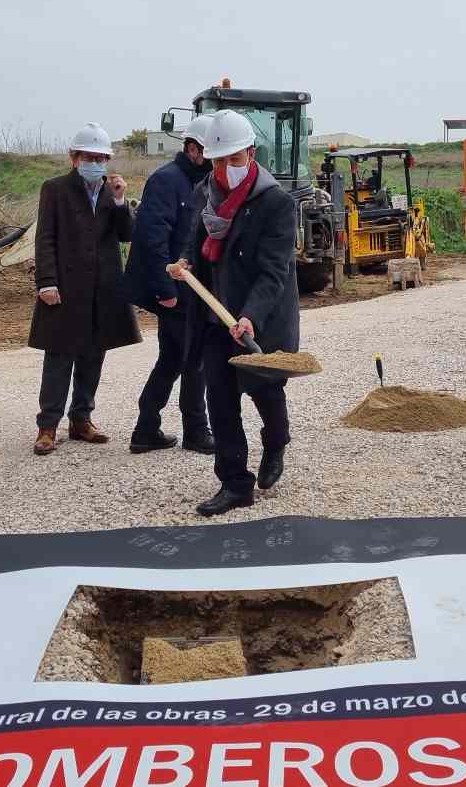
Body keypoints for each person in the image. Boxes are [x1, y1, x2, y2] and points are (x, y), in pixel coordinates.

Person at [169, 110, 300, 517]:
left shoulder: (276, 203)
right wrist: (187, 262)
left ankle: (276, 442)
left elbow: (273, 270)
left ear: (251, 153)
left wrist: (251, 317)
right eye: (219, 160)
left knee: (265, 392)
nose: (227, 168)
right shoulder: (206, 193)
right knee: (220, 401)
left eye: (235, 159)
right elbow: (196, 241)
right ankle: (235, 483)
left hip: (258, 317)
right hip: (214, 315)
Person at [28, 123, 141, 455]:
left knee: (93, 356)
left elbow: (126, 235)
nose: (96, 163)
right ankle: (48, 426)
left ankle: (81, 420)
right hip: (64, 287)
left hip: (101, 290)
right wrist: (46, 282)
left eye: (101, 157)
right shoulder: (55, 189)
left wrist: (121, 202)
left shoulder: (110, 192)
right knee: (59, 357)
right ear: (73, 158)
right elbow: (45, 238)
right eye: (89, 157)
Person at [123, 114, 214, 456]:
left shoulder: (204, 182)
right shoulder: (167, 181)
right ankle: (195, 430)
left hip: (194, 287)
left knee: (175, 358)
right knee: (192, 359)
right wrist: (166, 291)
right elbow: (151, 240)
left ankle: (146, 429)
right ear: (192, 148)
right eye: (211, 151)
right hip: (174, 289)